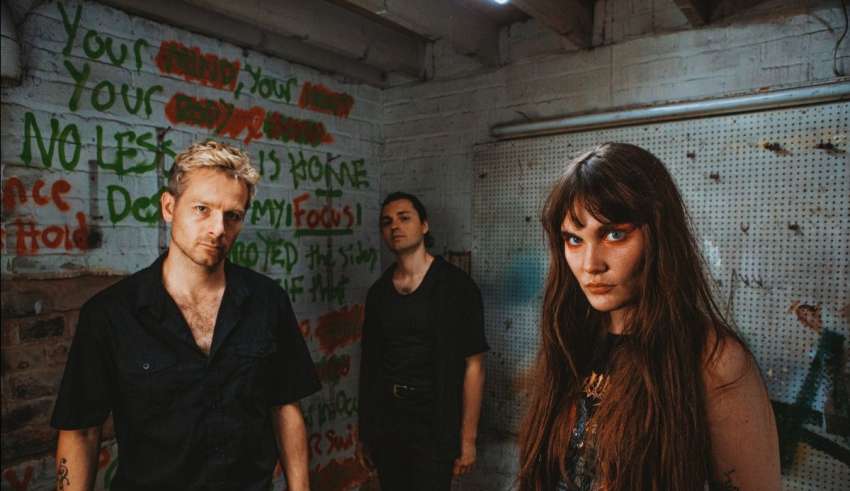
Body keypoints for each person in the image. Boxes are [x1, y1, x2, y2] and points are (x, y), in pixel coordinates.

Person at [51, 141, 320, 491]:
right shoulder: (110, 314)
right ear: (169, 207)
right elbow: (81, 432)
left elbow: (284, 407)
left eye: (232, 216)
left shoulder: (268, 302)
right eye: (202, 209)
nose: (218, 229)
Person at [517, 143, 781, 491]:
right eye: (574, 239)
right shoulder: (569, 340)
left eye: (614, 234)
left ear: (659, 235)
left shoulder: (713, 359)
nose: (590, 264)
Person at [357, 192, 488, 491]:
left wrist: (468, 440)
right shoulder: (378, 293)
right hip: (388, 423)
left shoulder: (456, 286)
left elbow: (475, 366)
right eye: (387, 222)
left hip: (435, 423)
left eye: (404, 218)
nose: (395, 226)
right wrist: (365, 433)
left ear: (424, 225)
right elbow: (370, 366)